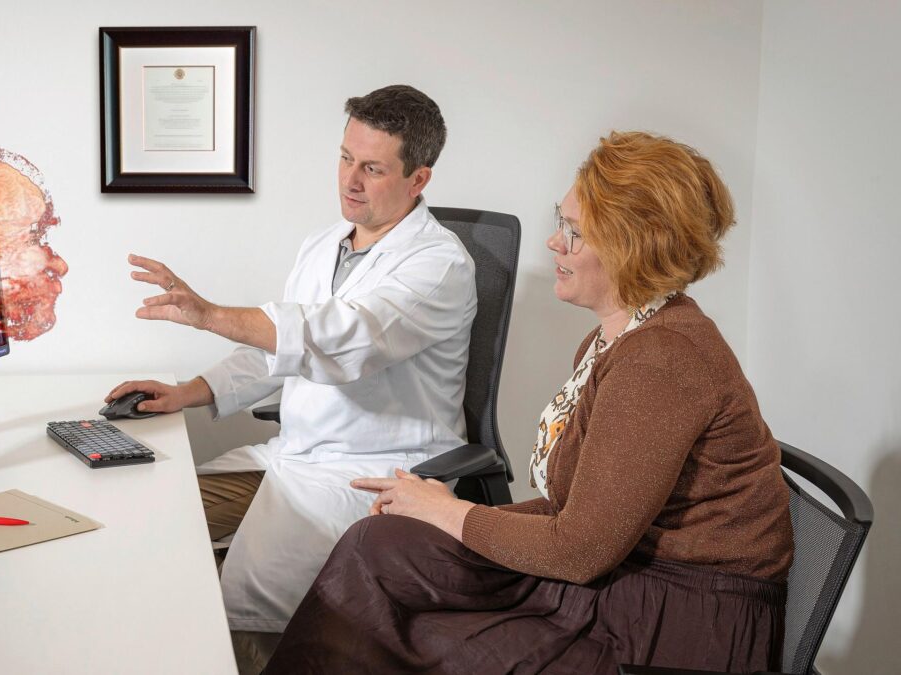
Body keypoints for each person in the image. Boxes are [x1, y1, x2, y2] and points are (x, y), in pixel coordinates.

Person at [264, 131, 795, 674]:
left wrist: (448, 511)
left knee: (420, 634)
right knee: (378, 544)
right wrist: (435, 512)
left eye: (575, 233)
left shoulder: (660, 360)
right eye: (561, 221)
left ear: (634, 247)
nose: (554, 243)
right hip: (620, 577)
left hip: (673, 618)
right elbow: (577, 516)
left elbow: (580, 550)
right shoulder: (612, 341)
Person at [104, 86, 478, 641]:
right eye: (346, 158)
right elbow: (276, 351)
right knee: (156, 519)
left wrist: (209, 315)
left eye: (372, 168)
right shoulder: (324, 244)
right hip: (293, 456)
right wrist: (190, 392)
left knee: (242, 611)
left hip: (372, 475)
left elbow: (343, 341)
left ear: (418, 178)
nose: (350, 180)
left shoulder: (439, 265)